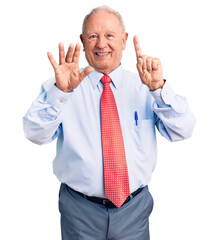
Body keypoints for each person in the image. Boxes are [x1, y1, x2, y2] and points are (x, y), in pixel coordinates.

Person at [23, 5, 196, 240]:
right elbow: (34, 133)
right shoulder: (64, 87)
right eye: (93, 36)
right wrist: (59, 93)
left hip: (133, 210)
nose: (101, 44)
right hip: (79, 210)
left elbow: (183, 129)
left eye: (109, 36)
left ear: (124, 40)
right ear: (83, 41)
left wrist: (159, 89)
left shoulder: (145, 87)